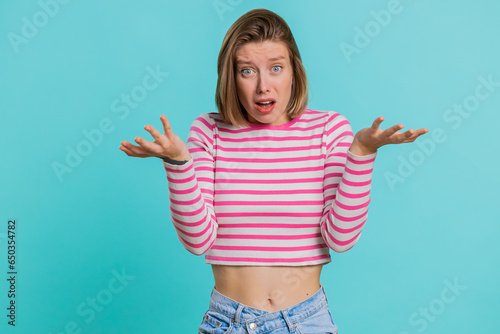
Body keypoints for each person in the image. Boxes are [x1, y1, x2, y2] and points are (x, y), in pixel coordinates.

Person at [119, 8, 427, 334]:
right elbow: (198, 241)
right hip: (228, 323)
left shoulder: (328, 129)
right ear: (231, 77)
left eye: (276, 68)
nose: (263, 86)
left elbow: (341, 238)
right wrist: (178, 161)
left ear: (294, 71)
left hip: (307, 322)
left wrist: (362, 153)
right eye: (248, 71)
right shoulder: (209, 130)